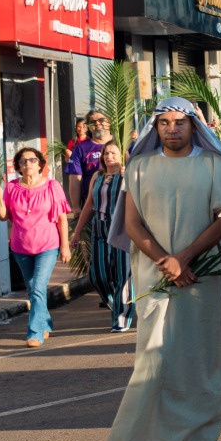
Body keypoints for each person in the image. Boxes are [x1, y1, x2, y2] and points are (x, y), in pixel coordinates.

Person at [104, 98, 221, 441]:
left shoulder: (215, 165)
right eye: (164, 123)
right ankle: (160, 440)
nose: (172, 129)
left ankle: (198, 440)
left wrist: (185, 257)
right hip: (156, 274)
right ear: (156, 127)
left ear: (194, 125)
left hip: (206, 273)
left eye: (179, 122)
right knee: (156, 359)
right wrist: (166, 260)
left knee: (201, 359)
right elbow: (132, 224)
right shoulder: (140, 166)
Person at [0, 147, 72, 349]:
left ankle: (35, 333)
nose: (27, 163)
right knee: (32, 290)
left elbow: (62, 219)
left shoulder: (52, 186)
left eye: (32, 160)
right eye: (23, 161)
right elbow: (3, 217)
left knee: (38, 287)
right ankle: (44, 323)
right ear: (18, 166)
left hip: (47, 245)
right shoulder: (11, 187)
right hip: (20, 246)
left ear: (39, 164)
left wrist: (65, 246)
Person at [71, 140, 134, 332]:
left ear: (121, 155)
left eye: (113, 153)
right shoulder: (97, 176)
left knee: (123, 274)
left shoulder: (127, 175)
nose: (109, 156)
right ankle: (117, 304)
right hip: (99, 227)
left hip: (121, 227)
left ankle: (122, 318)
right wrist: (77, 231)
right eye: (106, 153)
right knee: (97, 275)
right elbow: (90, 204)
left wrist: (128, 174)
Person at [64, 109, 112, 209]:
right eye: (93, 122)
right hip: (92, 205)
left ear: (109, 122)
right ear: (88, 127)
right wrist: (76, 207)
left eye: (101, 120)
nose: (97, 124)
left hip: (120, 201)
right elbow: (75, 179)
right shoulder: (80, 149)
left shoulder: (122, 144)